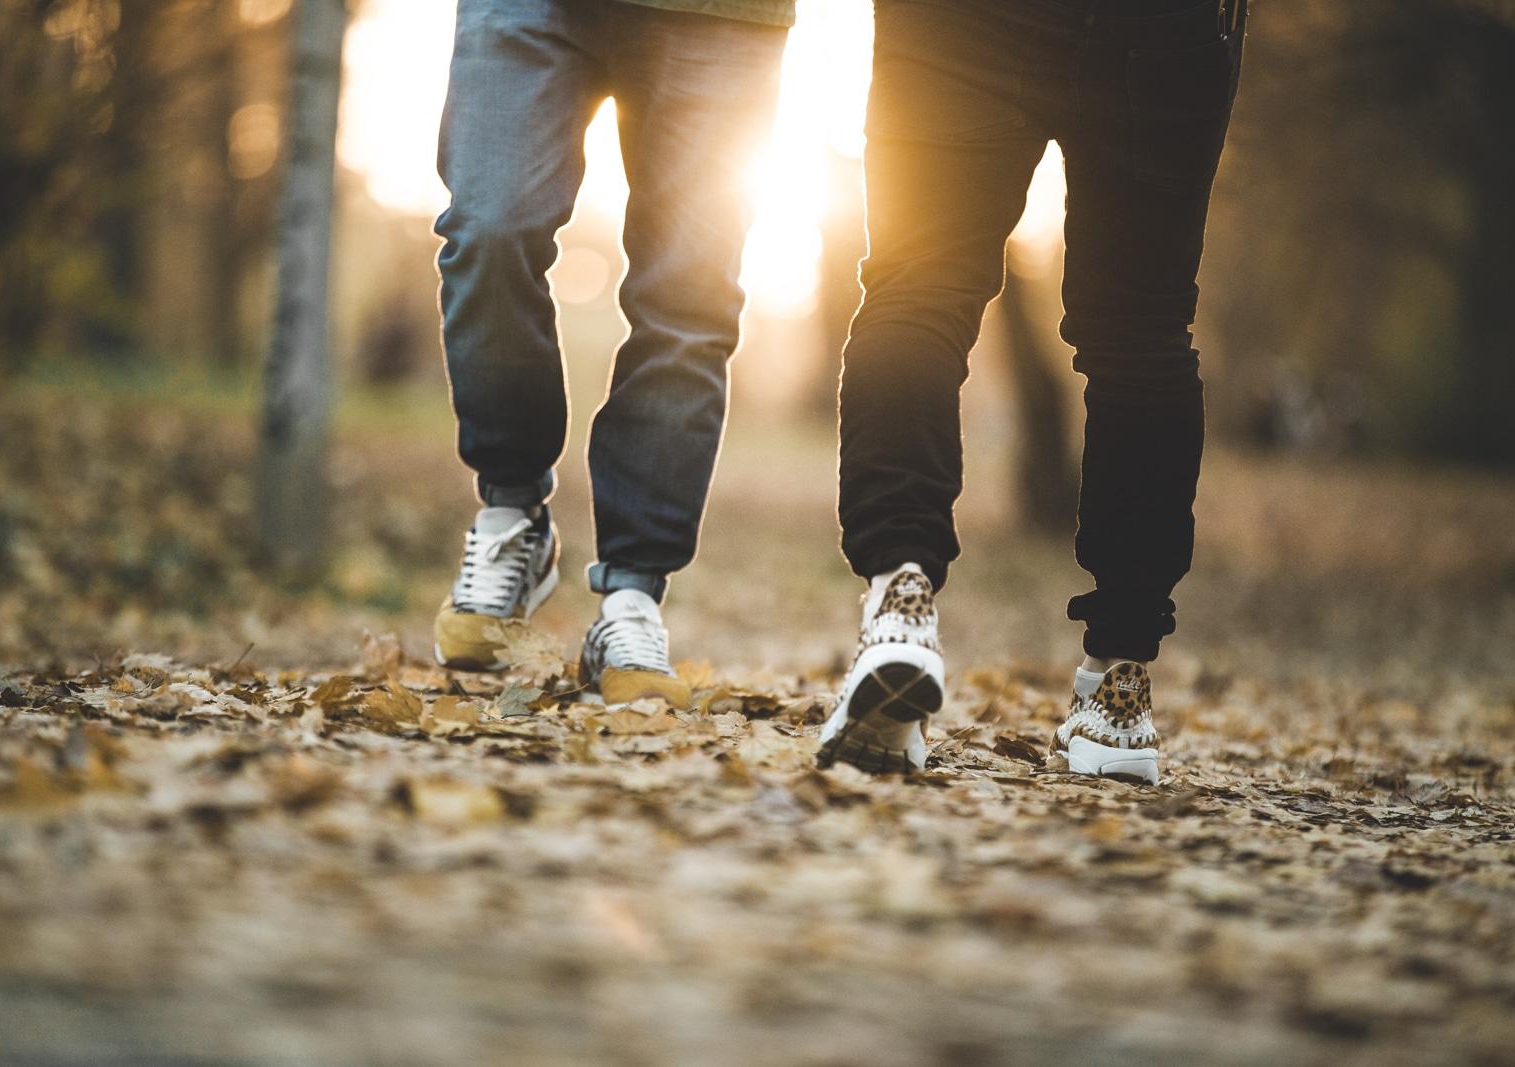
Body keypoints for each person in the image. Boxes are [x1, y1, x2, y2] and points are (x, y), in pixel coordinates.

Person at [818, 0, 1247, 781]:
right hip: (1164, 28)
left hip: (958, 25)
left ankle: (900, 603)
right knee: (1141, 336)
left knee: (920, 286)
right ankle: (1120, 692)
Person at [429, 0, 793, 708]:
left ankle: (631, 598)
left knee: (689, 295)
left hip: (724, 15)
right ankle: (513, 511)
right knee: (487, 226)